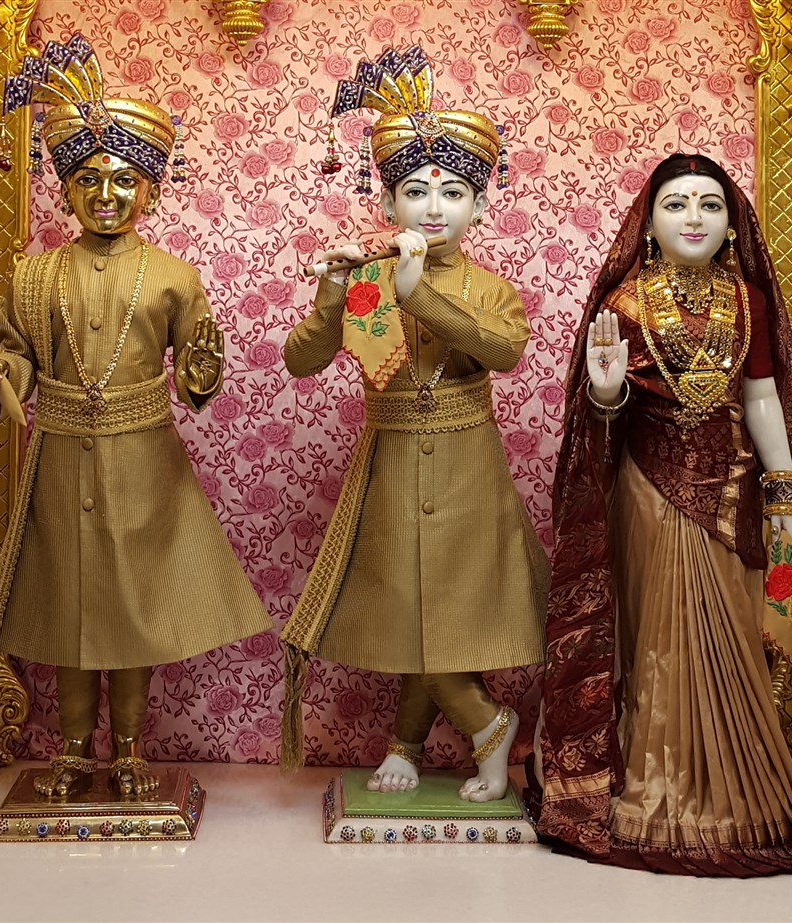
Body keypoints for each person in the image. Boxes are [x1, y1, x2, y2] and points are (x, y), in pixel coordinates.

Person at [533, 153, 792, 873]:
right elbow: (601, 419)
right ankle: (655, 790)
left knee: (732, 624)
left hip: (733, 488)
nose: (694, 217)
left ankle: (742, 794)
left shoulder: (747, 299)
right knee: (658, 634)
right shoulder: (625, 304)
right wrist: (604, 391)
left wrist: (785, 492)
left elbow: (761, 397)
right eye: (677, 203)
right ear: (649, 224)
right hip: (650, 485)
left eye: (710, 204)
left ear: (730, 226)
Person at [0, 34, 271, 799]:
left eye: (122, 180)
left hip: (144, 461)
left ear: (151, 193)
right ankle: (74, 749)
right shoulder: (34, 275)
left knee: (134, 608)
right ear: (64, 191)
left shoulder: (172, 277)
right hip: (60, 452)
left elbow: (197, 372)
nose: (104, 194)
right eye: (87, 179)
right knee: (71, 608)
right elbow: (18, 358)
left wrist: (201, 368)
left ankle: (132, 748)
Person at [280, 46, 548, 803]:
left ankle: (480, 728)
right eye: (415, 191)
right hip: (391, 461)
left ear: (480, 205)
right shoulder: (365, 278)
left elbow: (503, 352)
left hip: (468, 467)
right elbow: (302, 361)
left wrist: (416, 293)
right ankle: (413, 740)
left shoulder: (489, 288)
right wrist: (334, 296)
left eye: (453, 192)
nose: (434, 207)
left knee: (448, 609)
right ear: (388, 201)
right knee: (408, 604)